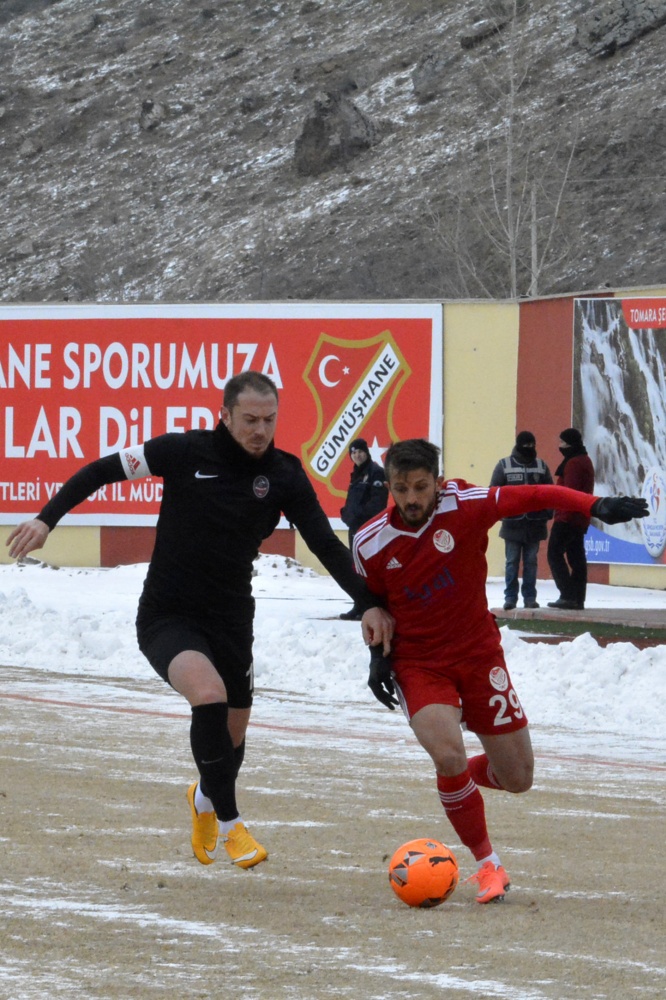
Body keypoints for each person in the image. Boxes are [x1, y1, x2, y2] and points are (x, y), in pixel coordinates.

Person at [6, 371, 392, 871]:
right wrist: (46, 518)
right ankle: (231, 825)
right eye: (249, 419)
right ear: (225, 415)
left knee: (230, 743)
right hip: (169, 613)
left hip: (232, 618)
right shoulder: (184, 451)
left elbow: (325, 544)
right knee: (207, 697)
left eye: (269, 420)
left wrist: (368, 602)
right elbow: (102, 470)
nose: (260, 430)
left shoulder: (284, 475)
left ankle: (204, 801)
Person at [353, 438, 647, 903]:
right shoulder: (369, 541)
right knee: (447, 754)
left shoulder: (465, 504)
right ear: (389, 485)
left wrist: (594, 504)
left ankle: (457, 785)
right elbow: (370, 601)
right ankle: (488, 864)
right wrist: (376, 656)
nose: (411, 499)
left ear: (439, 483)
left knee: (518, 778)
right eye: (401, 488)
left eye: (421, 487)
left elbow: (535, 496)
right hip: (419, 663)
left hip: (479, 656)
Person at [489, 431, 553, 610]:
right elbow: (493, 492)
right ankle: (510, 598)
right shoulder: (504, 465)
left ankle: (530, 598)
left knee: (531, 562)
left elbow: (551, 492)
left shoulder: (541, 466)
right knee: (512, 562)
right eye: (526, 445)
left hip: (535, 523)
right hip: (512, 524)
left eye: (532, 445)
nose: (529, 449)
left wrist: (548, 513)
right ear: (518, 445)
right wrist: (499, 514)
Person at [339, 438, 388, 620]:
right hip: (355, 528)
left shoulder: (376, 472)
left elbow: (377, 503)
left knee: (370, 568)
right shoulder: (357, 473)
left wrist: (358, 517)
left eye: (359, 451)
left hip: (369, 528)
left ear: (366, 452)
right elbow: (353, 500)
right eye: (353, 452)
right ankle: (359, 604)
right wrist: (346, 514)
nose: (357, 455)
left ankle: (372, 606)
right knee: (356, 567)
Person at [547, 427, 595, 610]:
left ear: (569, 444)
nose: (559, 446)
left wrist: (562, 516)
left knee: (554, 553)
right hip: (581, 516)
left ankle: (567, 595)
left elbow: (570, 494)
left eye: (562, 442)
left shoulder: (573, 463)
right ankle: (578, 598)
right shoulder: (585, 460)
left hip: (568, 517)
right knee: (576, 557)